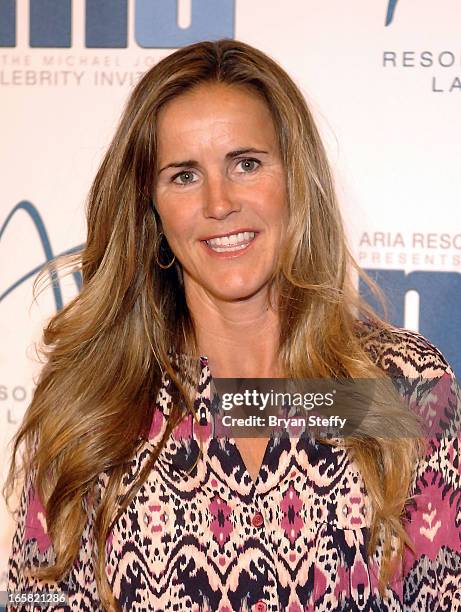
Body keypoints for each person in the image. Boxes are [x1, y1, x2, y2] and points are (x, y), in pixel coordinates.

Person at [4, 39, 460, 612]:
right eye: (184, 176)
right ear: (151, 208)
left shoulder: (396, 388)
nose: (219, 203)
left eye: (246, 164)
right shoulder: (95, 405)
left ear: (296, 178)